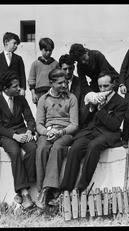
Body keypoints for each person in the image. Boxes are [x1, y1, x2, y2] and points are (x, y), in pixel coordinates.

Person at [60, 71, 128, 193]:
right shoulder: (95, 96)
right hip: (90, 131)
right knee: (75, 148)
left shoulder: (121, 102)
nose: (102, 89)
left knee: (94, 146)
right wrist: (91, 107)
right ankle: (66, 189)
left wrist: (100, 109)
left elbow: (114, 125)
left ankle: (80, 187)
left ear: (113, 84)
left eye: (105, 86)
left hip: (107, 133)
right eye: (100, 86)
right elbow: (85, 120)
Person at [0, 70, 37, 210]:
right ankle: (25, 193)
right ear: (6, 89)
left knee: (33, 149)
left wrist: (29, 131)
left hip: (23, 132)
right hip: (7, 135)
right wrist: (14, 136)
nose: (19, 88)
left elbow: (29, 118)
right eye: (15, 86)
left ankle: (20, 188)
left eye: (19, 86)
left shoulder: (21, 99)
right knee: (15, 153)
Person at [35, 68, 79, 209]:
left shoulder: (71, 98)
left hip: (65, 133)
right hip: (48, 132)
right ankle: (42, 189)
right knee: (41, 148)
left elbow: (74, 124)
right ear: (51, 83)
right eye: (60, 83)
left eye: (65, 82)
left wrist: (60, 133)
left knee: (57, 147)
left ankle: (47, 190)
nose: (64, 85)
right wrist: (47, 132)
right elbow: (39, 124)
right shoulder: (43, 99)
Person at [0, 32, 26, 100]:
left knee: (15, 108)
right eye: (14, 43)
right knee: (0, 108)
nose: (16, 46)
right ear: (6, 42)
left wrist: (23, 88)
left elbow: (22, 75)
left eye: (17, 44)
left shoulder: (18, 59)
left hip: (14, 89)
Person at [28, 37, 59, 105]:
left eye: (50, 50)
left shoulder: (55, 64)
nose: (48, 52)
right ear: (41, 49)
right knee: (41, 112)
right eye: (46, 50)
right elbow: (31, 80)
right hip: (39, 93)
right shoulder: (35, 64)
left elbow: (58, 79)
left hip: (52, 92)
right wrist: (33, 94)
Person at [58, 54, 85, 129]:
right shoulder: (56, 85)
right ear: (60, 69)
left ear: (74, 67)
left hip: (77, 123)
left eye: (70, 68)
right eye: (65, 69)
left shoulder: (81, 83)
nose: (68, 72)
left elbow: (83, 109)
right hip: (60, 123)